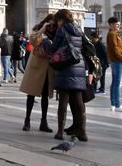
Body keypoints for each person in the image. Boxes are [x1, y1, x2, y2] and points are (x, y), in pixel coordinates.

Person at [46, 9, 89, 142]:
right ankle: (82, 132)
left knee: (63, 100)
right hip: (79, 66)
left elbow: (53, 49)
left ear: (60, 19)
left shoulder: (62, 29)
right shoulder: (79, 29)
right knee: (78, 101)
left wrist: (46, 42)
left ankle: (60, 132)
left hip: (65, 66)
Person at [19, 15, 55, 133]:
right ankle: (27, 120)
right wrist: (43, 29)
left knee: (45, 97)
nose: (51, 26)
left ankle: (43, 122)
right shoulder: (38, 30)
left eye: (53, 25)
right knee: (31, 95)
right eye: (49, 24)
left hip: (48, 69)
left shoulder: (55, 34)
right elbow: (33, 41)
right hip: (36, 68)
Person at [106, 17, 122, 113]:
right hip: (117, 60)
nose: (119, 26)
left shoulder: (112, 34)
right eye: (117, 24)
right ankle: (117, 104)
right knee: (117, 83)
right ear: (111, 25)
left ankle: (113, 104)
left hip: (115, 60)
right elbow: (115, 48)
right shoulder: (112, 34)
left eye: (119, 24)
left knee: (114, 82)